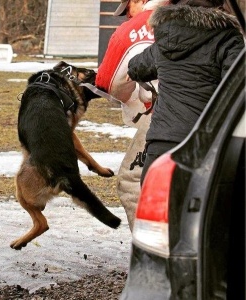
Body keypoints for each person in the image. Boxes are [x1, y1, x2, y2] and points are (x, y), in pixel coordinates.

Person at [126, 0, 245, 185]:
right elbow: (238, 85)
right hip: (204, 147)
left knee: (156, 213)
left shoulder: (166, 36)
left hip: (160, 146)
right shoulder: (227, 37)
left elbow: (134, 67)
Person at [96, 0, 168, 231]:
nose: (127, 16)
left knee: (132, 181)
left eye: (128, 9)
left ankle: (152, 257)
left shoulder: (133, 30)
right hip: (220, 116)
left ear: (141, 1)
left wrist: (134, 100)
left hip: (166, 115)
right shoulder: (223, 24)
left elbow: (108, 82)